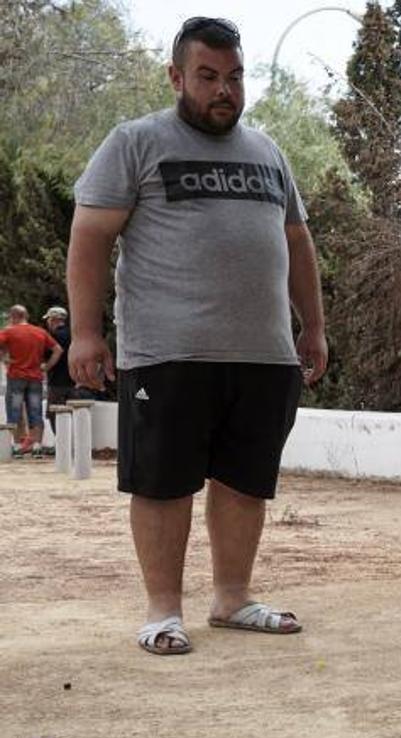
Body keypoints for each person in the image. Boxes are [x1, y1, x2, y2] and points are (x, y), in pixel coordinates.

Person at [65, 17, 328, 655]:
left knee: (245, 482)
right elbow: (90, 236)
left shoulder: (268, 152)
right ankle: (163, 611)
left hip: (263, 354)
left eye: (234, 77)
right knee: (163, 483)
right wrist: (85, 333)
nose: (223, 91)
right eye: (208, 77)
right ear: (177, 76)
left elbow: (297, 242)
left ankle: (233, 598)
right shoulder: (136, 142)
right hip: (168, 351)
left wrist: (313, 327)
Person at [0, 304, 62, 453]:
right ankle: (37, 446)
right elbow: (58, 350)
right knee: (35, 411)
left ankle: (16, 446)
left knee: (14, 412)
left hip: (16, 377)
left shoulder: (9, 332)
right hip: (36, 378)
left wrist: (4, 359)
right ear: (26, 316)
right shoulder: (39, 332)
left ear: (13, 317)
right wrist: (46, 367)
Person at [42, 306, 76, 431]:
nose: (47, 323)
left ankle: (61, 444)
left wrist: (46, 367)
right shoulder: (74, 335)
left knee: (54, 414)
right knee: (73, 414)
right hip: (75, 381)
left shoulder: (53, 337)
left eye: (49, 319)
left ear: (53, 320)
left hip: (57, 382)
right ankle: (72, 445)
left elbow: (45, 356)